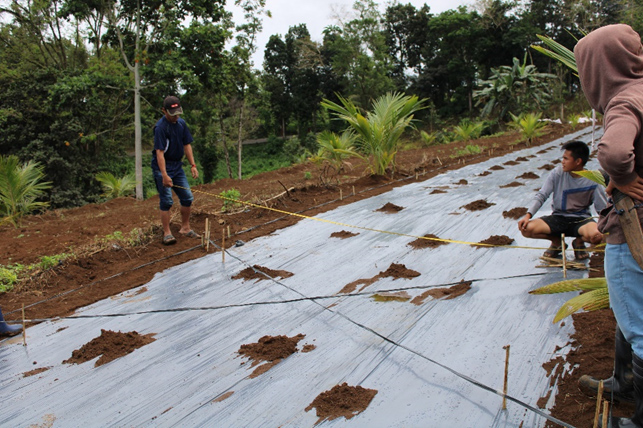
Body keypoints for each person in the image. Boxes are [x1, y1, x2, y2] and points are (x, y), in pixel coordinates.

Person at [575, 24, 643, 427]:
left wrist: (621, 176)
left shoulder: (623, 102)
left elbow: (615, 151)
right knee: (630, 309)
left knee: (637, 322)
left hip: (632, 229)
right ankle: (624, 381)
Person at [518, 140, 607, 260]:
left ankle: (579, 242)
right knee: (527, 229)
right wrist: (528, 215)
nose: (562, 162)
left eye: (566, 159)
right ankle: (557, 243)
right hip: (558, 218)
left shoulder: (593, 180)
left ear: (578, 161)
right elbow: (542, 195)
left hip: (581, 220)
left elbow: (602, 208)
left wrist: (606, 228)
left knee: (597, 235)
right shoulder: (557, 173)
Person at [152, 96, 200, 245]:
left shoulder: (181, 124)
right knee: (166, 201)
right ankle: (167, 233)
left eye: (177, 113)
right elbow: (159, 152)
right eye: (172, 114)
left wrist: (193, 165)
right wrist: (164, 175)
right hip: (163, 167)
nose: (176, 117)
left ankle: (185, 228)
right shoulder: (160, 128)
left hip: (177, 167)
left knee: (187, 197)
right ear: (164, 111)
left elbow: (187, 145)